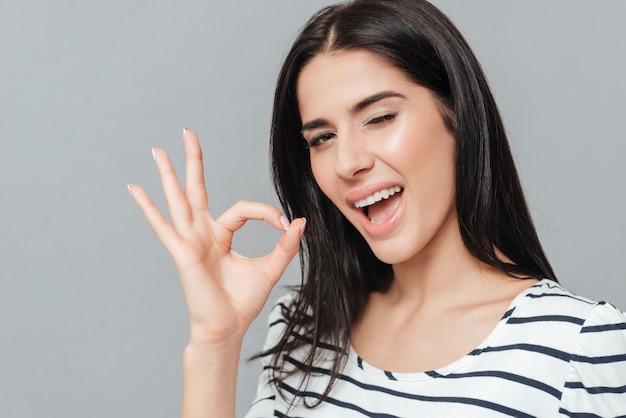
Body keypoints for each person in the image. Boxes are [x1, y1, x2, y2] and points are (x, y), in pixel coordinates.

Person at [128, 0, 626, 416]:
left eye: (380, 117)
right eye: (321, 138)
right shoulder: (303, 325)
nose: (347, 162)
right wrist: (216, 342)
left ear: (457, 114)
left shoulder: (585, 350)